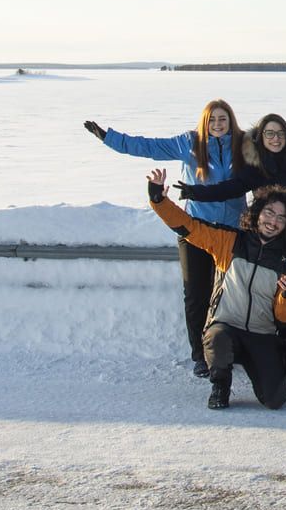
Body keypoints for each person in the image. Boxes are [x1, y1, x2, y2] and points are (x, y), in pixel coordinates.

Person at [84, 100, 244, 378]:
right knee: (196, 294)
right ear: (204, 122)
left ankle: (230, 349)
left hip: (231, 232)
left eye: (223, 119)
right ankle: (200, 355)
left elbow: (281, 137)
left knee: (231, 294)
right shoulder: (190, 143)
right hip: (195, 230)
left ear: (231, 120)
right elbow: (149, 146)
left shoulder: (244, 144)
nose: (218, 124)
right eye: (212, 120)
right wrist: (109, 138)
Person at [146, 169, 286, 410]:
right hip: (225, 326)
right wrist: (158, 199)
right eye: (269, 212)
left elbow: (284, 319)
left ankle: (258, 362)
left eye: (281, 218)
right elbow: (188, 226)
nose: (273, 221)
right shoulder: (229, 241)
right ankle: (220, 383)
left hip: (261, 334)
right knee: (218, 339)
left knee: (275, 399)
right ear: (257, 212)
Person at [174, 113, 286, 250]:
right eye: (269, 133)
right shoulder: (256, 166)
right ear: (261, 137)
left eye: (280, 133)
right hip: (269, 233)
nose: (275, 138)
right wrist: (195, 192)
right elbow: (231, 188)